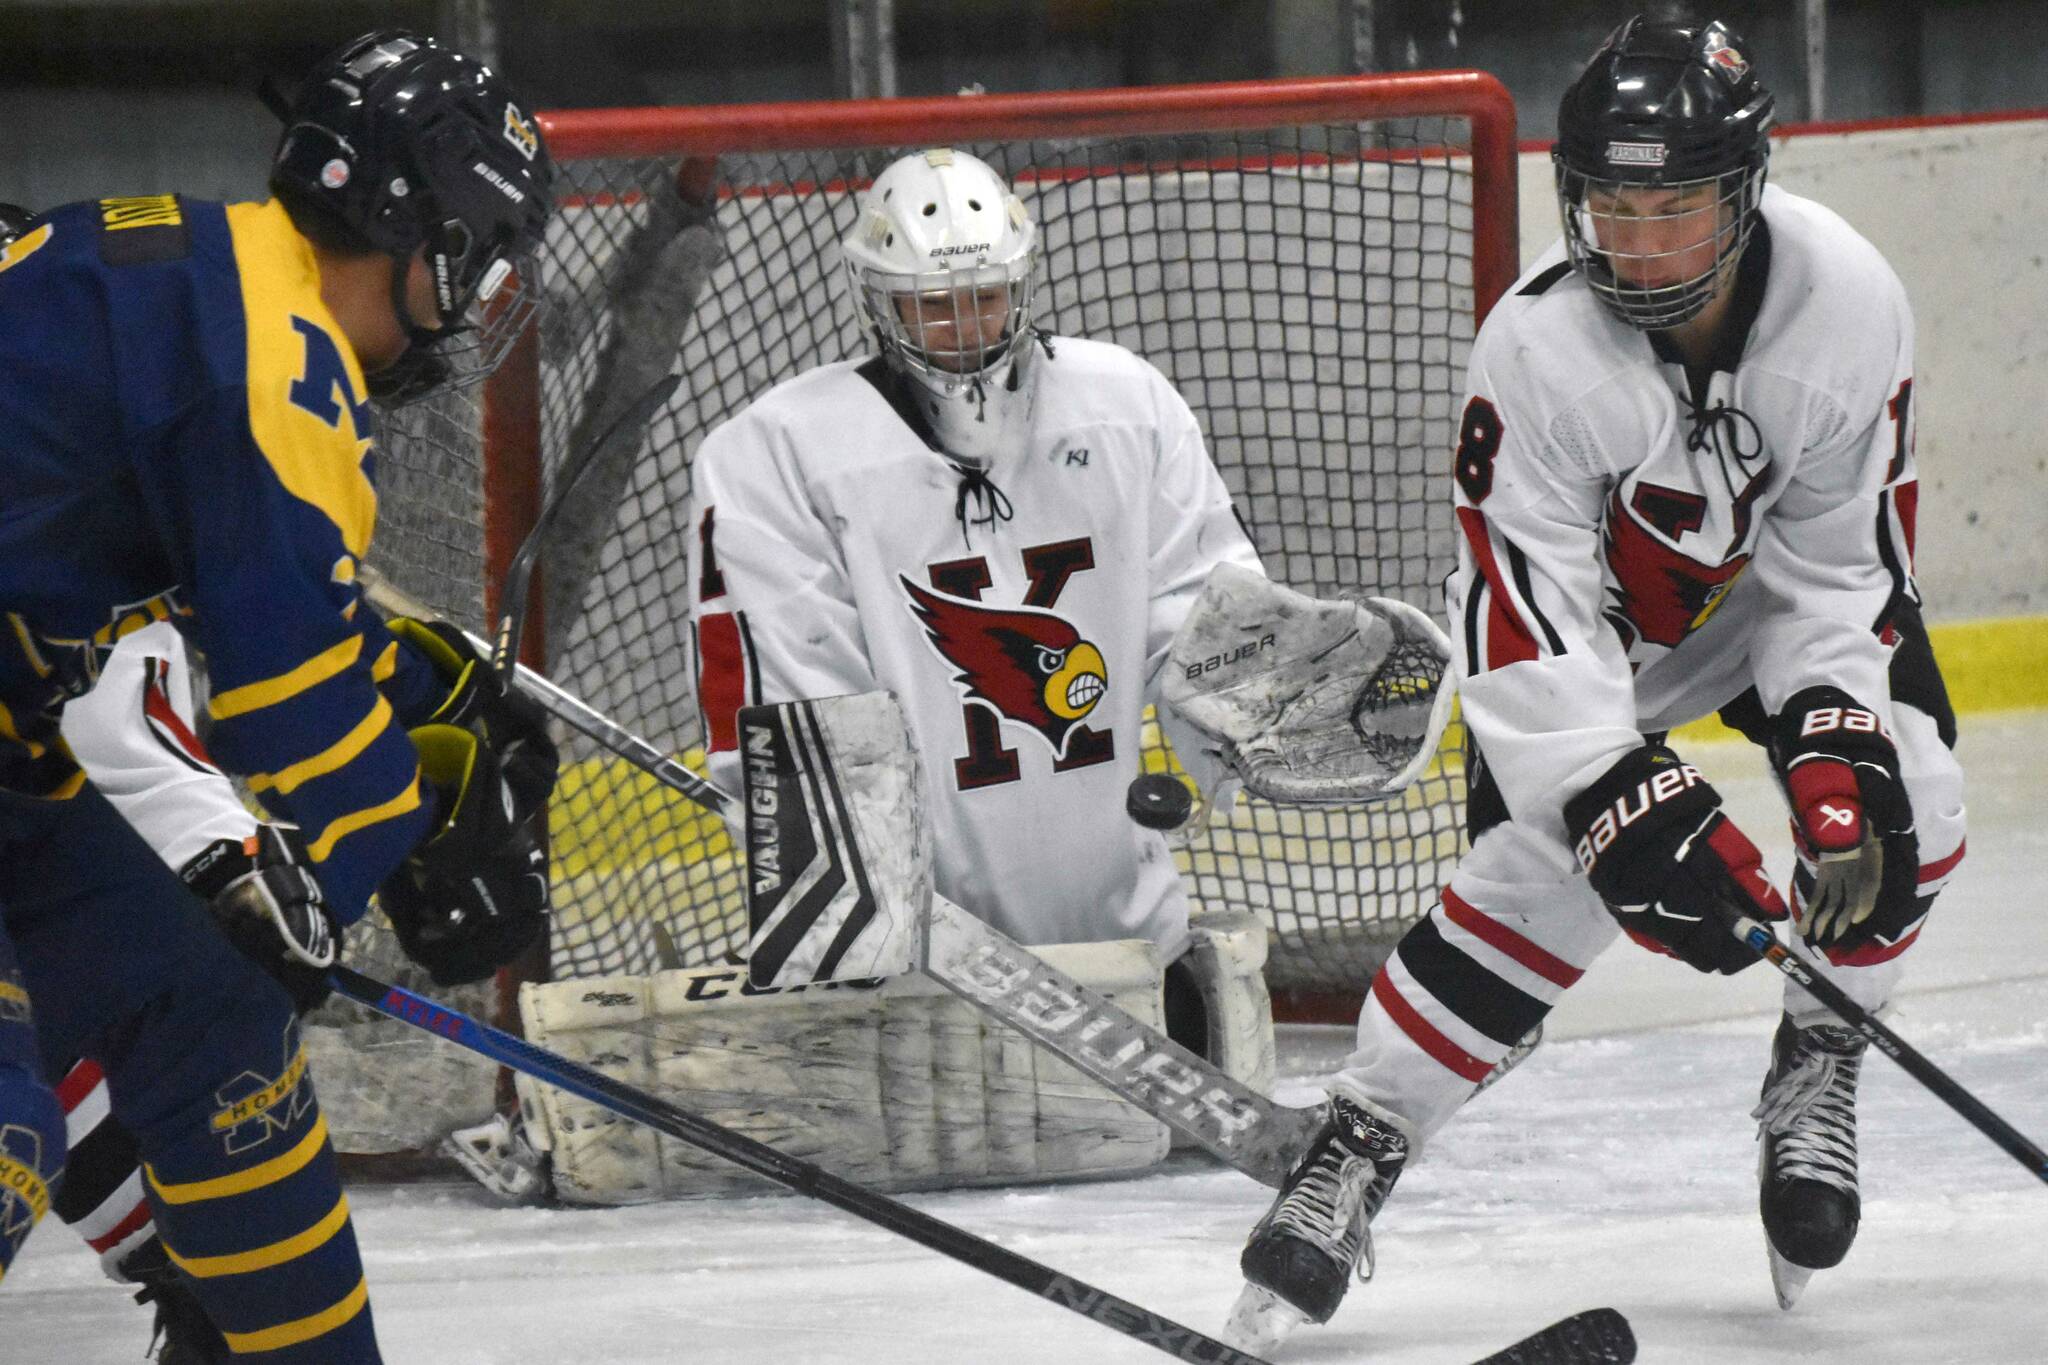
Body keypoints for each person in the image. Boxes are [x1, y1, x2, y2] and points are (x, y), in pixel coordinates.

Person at [1229, 14, 1967, 1348]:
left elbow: (1842, 567)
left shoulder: (1850, 302)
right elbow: (1525, 623)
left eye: (1674, 207)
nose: (1638, 246)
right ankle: (1361, 1137)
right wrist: (1615, 788)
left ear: (1746, 194)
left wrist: (1831, 741)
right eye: (1612, 207)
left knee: (1907, 792)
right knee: (1546, 876)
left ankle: (1821, 1050)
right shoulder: (1534, 351)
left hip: (1769, 615)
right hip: (1598, 651)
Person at [0, 30, 558, 1361]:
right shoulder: (277, 371)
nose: (470, 298)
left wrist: (417, 709)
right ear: (411, 228)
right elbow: (297, 724)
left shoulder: (212, 268)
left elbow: (268, 618)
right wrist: (405, 833)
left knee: (204, 997)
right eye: (469, 257)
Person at [687, 147, 1262, 959]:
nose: (966, 330)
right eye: (934, 306)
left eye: (986, 297)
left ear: (1021, 285)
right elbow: (796, 711)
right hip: (922, 961)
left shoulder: (1127, 408)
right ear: (880, 302)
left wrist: (1250, 713)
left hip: (1127, 935)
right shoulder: (781, 453)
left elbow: (1205, 613)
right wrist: (868, 935)